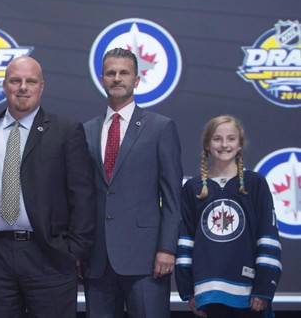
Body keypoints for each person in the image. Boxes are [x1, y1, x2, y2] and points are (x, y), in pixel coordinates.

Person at [0, 56, 96, 317]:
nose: (23, 87)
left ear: (41, 86)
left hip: (48, 255)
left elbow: (83, 197)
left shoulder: (66, 131)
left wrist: (74, 252)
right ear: (4, 85)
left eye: (30, 81)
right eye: (15, 80)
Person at [83, 48, 183, 318]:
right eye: (111, 73)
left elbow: (173, 197)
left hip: (148, 259)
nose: (117, 78)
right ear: (102, 78)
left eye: (124, 73)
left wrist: (167, 248)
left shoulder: (160, 127)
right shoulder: (86, 131)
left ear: (136, 80)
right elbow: (81, 197)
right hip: (97, 260)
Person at [175, 115, 282, 318]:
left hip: (249, 294)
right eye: (217, 139)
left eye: (231, 139)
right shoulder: (192, 188)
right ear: (207, 144)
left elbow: (268, 236)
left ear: (240, 144)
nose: (224, 145)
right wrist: (188, 291)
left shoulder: (255, 183)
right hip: (207, 295)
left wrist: (263, 288)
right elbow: (185, 241)